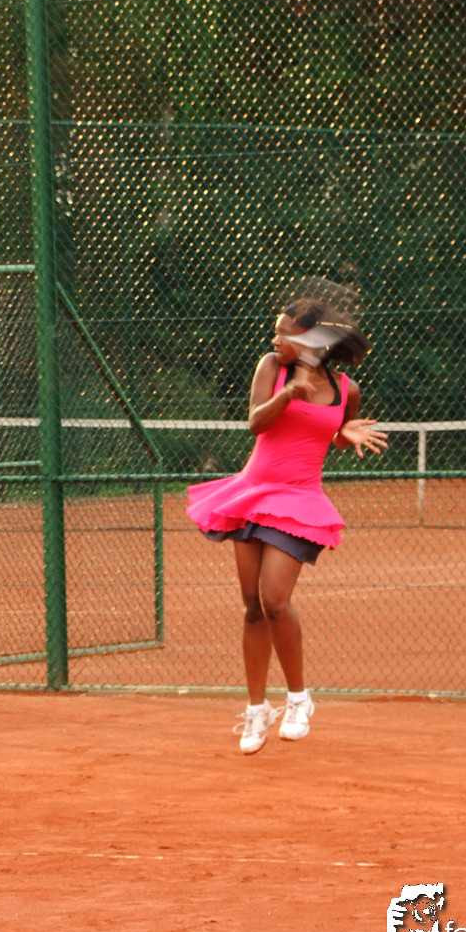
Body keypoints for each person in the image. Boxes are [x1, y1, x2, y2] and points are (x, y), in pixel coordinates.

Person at [186, 298, 388, 754]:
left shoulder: (346, 390)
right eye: (275, 331)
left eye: (284, 333)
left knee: (275, 600)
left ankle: (299, 699)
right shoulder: (271, 368)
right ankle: (257, 709)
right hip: (252, 493)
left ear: (312, 340)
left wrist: (344, 434)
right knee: (252, 606)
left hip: (299, 500)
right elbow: (256, 423)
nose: (275, 339)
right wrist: (287, 394)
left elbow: (330, 432)